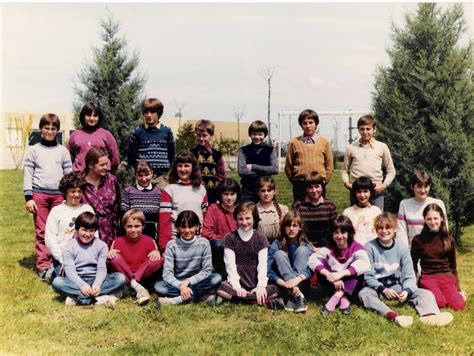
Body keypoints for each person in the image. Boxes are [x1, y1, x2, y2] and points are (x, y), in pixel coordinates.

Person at [359, 213, 454, 328]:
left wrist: (407, 290)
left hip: (396, 286)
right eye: (380, 228)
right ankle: (395, 316)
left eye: (388, 227)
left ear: (394, 229)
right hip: (377, 288)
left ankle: (429, 316)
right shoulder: (369, 247)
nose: (384, 231)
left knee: (425, 293)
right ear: (376, 230)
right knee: (364, 294)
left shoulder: (401, 247)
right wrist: (382, 289)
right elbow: (368, 276)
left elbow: (409, 273)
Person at [23, 113, 72, 281]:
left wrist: (68, 195)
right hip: (40, 196)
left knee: (60, 230)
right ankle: (44, 266)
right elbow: (28, 174)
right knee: (42, 231)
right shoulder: (33, 150)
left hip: (58, 196)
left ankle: (59, 261)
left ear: (57, 131)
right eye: (46, 128)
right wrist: (28, 197)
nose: (50, 131)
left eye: (53, 128)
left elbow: (69, 175)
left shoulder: (63, 151)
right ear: (41, 129)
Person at [215, 202, 284, 309]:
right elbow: (230, 266)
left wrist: (261, 286)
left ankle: (241, 298)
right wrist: (237, 287)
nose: (244, 222)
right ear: (236, 219)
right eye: (240, 219)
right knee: (221, 287)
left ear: (254, 219)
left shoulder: (261, 239)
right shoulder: (230, 238)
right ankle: (260, 300)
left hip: (255, 282)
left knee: (275, 289)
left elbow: (262, 265)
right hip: (237, 281)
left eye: (248, 218)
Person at [51, 212, 126, 308]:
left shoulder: (101, 245)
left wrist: (97, 284)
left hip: (96, 279)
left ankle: (78, 298)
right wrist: (81, 285)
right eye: (84, 230)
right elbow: (70, 271)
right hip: (76, 281)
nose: (87, 234)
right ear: (77, 229)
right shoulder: (69, 246)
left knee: (120, 278)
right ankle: (98, 299)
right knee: (57, 282)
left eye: (91, 231)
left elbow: (102, 268)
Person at [154, 210, 222, 307]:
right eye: (183, 227)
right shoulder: (171, 245)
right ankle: (203, 297)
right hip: (177, 284)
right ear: (177, 227)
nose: (187, 230)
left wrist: (188, 282)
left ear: (197, 226)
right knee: (159, 287)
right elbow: (167, 274)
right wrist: (181, 286)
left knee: (217, 278)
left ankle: (176, 300)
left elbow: (207, 270)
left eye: (190, 226)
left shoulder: (204, 243)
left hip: (197, 282)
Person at [308, 215, 370, 315]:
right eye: (336, 232)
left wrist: (342, 274)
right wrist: (329, 275)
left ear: (349, 233)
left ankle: (339, 296)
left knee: (356, 268)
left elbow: (365, 264)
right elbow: (312, 260)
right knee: (320, 262)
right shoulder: (329, 247)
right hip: (332, 284)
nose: (339, 236)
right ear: (332, 234)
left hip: (352, 286)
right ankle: (342, 297)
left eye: (343, 232)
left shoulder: (356, 247)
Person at [411, 204, 467, 311]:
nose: (432, 222)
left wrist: (458, 289)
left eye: (435, 218)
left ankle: (452, 294)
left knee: (458, 306)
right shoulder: (418, 240)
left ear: (441, 218)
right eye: (429, 219)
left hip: (446, 277)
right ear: (425, 220)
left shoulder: (448, 240)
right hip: (428, 277)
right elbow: (413, 264)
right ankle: (428, 292)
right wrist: (414, 284)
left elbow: (453, 267)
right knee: (440, 303)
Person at [108, 209, 163, 306]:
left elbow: (155, 262)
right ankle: (137, 288)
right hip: (124, 276)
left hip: (143, 277)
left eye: (137, 226)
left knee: (157, 258)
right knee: (114, 257)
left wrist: (156, 252)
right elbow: (113, 263)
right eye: (129, 226)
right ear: (124, 226)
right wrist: (110, 253)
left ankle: (133, 283)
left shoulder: (150, 241)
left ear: (143, 226)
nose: (133, 230)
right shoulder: (117, 242)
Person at [45, 172, 94, 279]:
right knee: (68, 279)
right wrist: (63, 260)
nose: (76, 195)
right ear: (65, 192)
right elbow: (50, 239)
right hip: (63, 257)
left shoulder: (87, 209)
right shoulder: (57, 211)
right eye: (72, 191)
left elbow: (95, 235)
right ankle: (55, 270)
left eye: (79, 191)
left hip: (84, 257)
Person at [341, 114, 395, 211]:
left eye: (368, 129)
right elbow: (344, 170)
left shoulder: (382, 147)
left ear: (374, 129)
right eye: (362, 129)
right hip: (357, 189)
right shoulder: (351, 148)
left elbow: (391, 170)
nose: (365, 132)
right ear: (358, 130)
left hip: (376, 190)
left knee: (377, 220)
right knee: (356, 219)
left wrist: (383, 185)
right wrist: (346, 183)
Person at [158, 150, 208, 253]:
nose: (183, 169)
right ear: (175, 168)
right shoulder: (169, 190)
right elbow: (164, 220)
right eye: (180, 166)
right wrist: (164, 246)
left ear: (193, 167)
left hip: (197, 240)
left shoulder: (201, 189)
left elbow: (205, 217)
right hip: (175, 241)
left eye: (186, 166)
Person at [267, 210, 313, 313]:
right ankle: (297, 296)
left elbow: (312, 268)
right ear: (284, 227)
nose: (291, 229)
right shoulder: (277, 243)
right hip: (283, 285)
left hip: (301, 284)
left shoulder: (306, 245)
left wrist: (297, 280)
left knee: (302, 250)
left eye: (295, 225)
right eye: (288, 225)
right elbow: (268, 269)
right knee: (279, 254)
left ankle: (293, 296)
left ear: (300, 227)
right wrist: (283, 283)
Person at [285, 109, 334, 202]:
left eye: (311, 122)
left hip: (318, 183)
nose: (308, 126)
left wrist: (324, 180)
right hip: (300, 184)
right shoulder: (294, 142)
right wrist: (295, 181)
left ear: (316, 124)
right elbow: (288, 166)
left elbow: (329, 165)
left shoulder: (324, 142)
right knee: (299, 211)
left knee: (318, 210)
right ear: (301, 125)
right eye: (305, 123)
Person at [127, 98, 175, 186]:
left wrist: (167, 175)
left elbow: (172, 154)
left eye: (152, 112)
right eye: (146, 112)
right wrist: (140, 169)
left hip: (161, 177)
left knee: (162, 199)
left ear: (159, 113)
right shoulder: (137, 132)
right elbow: (131, 156)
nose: (149, 115)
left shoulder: (167, 131)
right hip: (143, 177)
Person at [397, 170, 448, 248]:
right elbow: (401, 233)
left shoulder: (438, 203)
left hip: (436, 252)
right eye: (419, 186)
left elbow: (444, 230)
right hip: (413, 252)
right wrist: (405, 255)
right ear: (412, 186)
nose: (423, 190)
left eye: (426, 186)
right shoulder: (404, 204)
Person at [202, 178, 240, 278]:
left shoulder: (240, 211)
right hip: (220, 249)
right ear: (220, 195)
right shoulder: (214, 208)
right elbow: (206, 231)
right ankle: (223, 275)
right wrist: (225, 241)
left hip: (237, 248)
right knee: (220, 245)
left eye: (232, 194)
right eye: (226, 194)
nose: (229, 197)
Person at [82, 148, 120, 247]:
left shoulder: (111, 180)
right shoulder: (80, 183)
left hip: (111, 231)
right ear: (90, 165)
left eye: (106, 164)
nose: (106, 167)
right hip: (89, 231)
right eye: (102, 165)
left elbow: (118, 204)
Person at [68, 102, 119, 173]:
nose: (92, 118)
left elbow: (114, 159)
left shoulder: (106, 135)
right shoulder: (75, 135)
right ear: (83, 116)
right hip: (80, 177)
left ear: (99, 117)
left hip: (102, 177)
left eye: (95, 116)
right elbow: (70, 158)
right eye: (88, 115)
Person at [120, 160, 162, 240]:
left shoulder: (160, 193)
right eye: (140, 175)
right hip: (132, 235)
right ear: (135, 175)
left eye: (147, 175)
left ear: (152, 173)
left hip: (154, 236)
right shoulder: (127, 192)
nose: (143, 179)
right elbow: (124, 218)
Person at [293, 172, 337, 247]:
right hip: (304, 244)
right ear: (306, 189)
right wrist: (309, 245)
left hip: (326, 245)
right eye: (310, 187)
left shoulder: (330, 205)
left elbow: (333, 229)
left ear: (322, 187)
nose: (314, 190)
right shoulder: (298, 206)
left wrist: (323, 246)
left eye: (317, 186)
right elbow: (297, 230)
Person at [238, 120, 278, 202]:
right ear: (250, 134)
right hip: (248, 190)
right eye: (254, 134)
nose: (257, 137)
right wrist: (266, 171)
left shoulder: (270, 150)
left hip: (265, 190)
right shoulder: (243, 150)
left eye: (260, 134)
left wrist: (253, 166)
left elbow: (275, 169)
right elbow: (242, 171)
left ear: (264, 135)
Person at [190, 119, 226, 205]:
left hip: (212, 195)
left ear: (211, 135)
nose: (201, 138)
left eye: (204, 135)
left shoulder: (217, 155)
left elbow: (221, 176)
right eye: (199, 135)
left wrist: (219, 194)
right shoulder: (191, 154)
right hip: (194, 193)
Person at [342, 176, 382, 246]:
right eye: (359, 192)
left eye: (365, 191)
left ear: (371, 193)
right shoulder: (348, 212)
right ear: (354, 193)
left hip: (373, 249)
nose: (362, 195)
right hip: (354, 250)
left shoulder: (376, 211)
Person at [255, 176, 288, 243]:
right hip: (259, 245)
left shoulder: (283, 209)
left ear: (274, 191)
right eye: (263, 191)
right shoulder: (253, 210)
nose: (266, 193)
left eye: (269, 190)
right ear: (258, 192)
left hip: (279, 245)